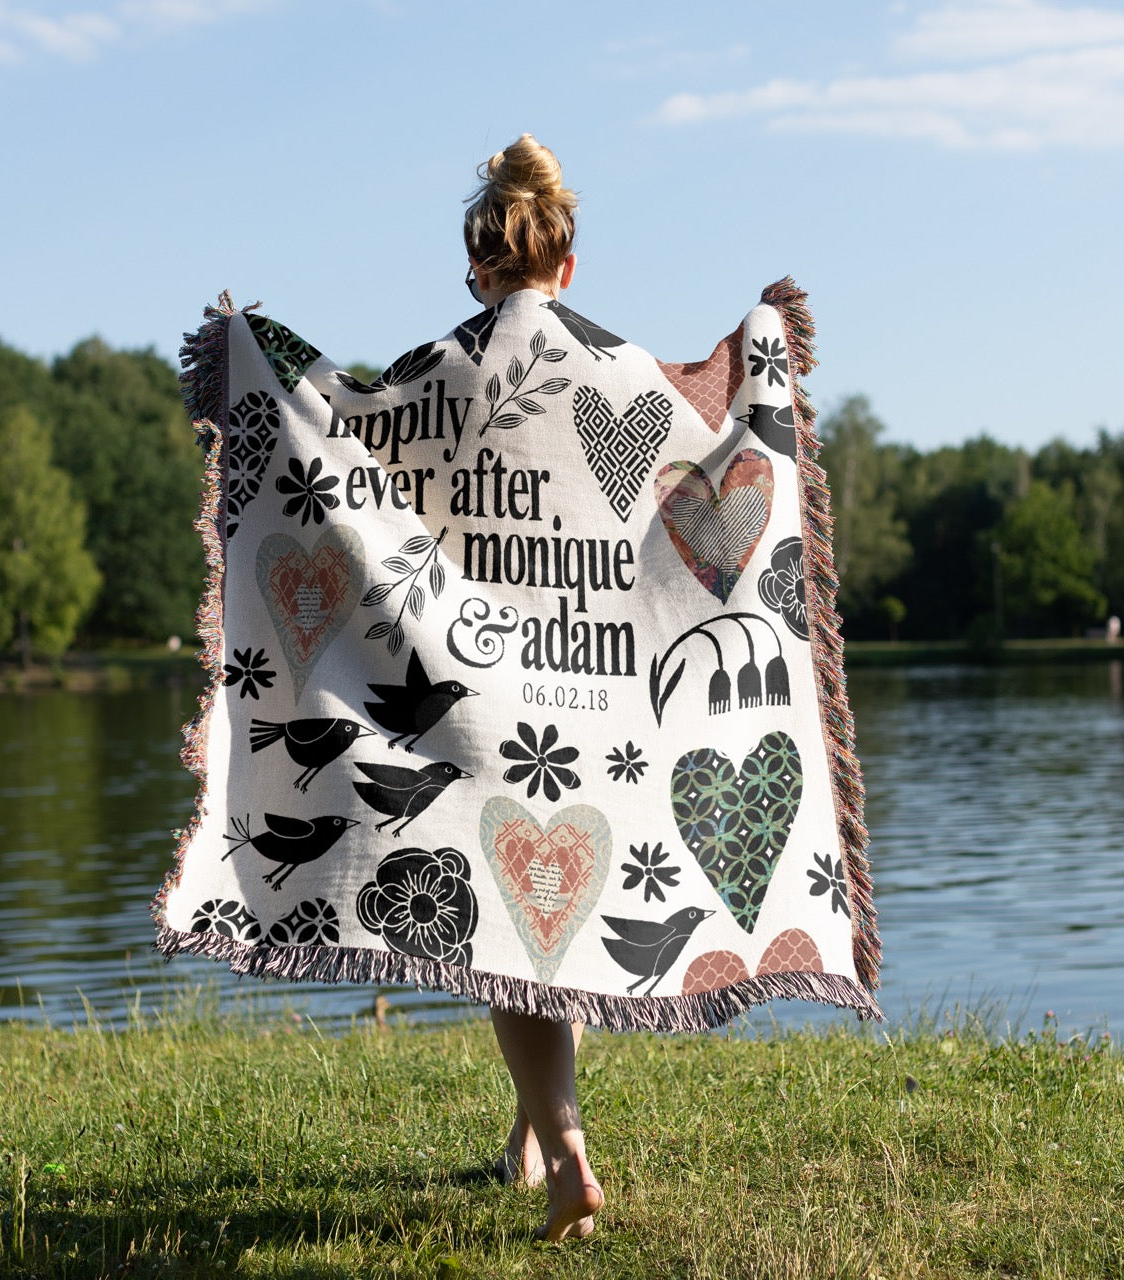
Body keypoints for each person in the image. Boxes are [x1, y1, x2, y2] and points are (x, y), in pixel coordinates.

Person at [462, 134, 603, 1244]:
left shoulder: (443, 374)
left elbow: (346, 456)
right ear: (566, 262)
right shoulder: (619, 372)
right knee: (550, 908)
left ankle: (564, 1153)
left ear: (478, 268)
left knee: (510, 932)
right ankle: (524, 1139)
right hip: (596, 694)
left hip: (484, 692)